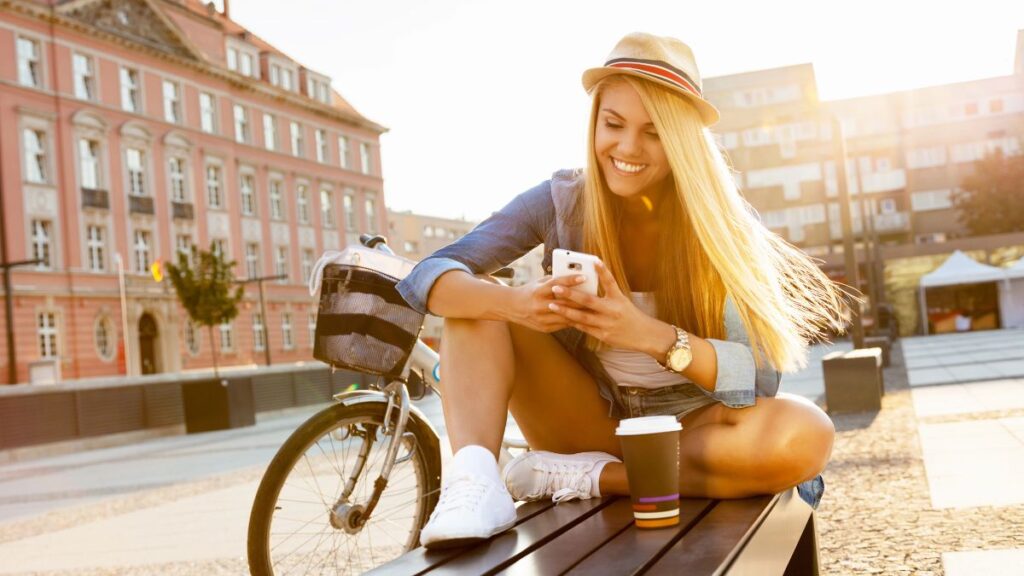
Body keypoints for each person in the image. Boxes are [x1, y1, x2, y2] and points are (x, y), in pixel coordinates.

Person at [395, 32, 847, 549]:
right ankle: (475, 481)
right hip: (588, 421)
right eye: (613, 125)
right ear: (595, 122)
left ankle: (592, 478)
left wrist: (648, 335)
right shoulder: (559, 201)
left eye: (653, 132)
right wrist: (518, 305)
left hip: (690, 430)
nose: (627, 148)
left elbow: (756, 381)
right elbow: (430, 275)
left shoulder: (722, 227)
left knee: (807, 434)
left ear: (680, 140)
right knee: (474, 302)